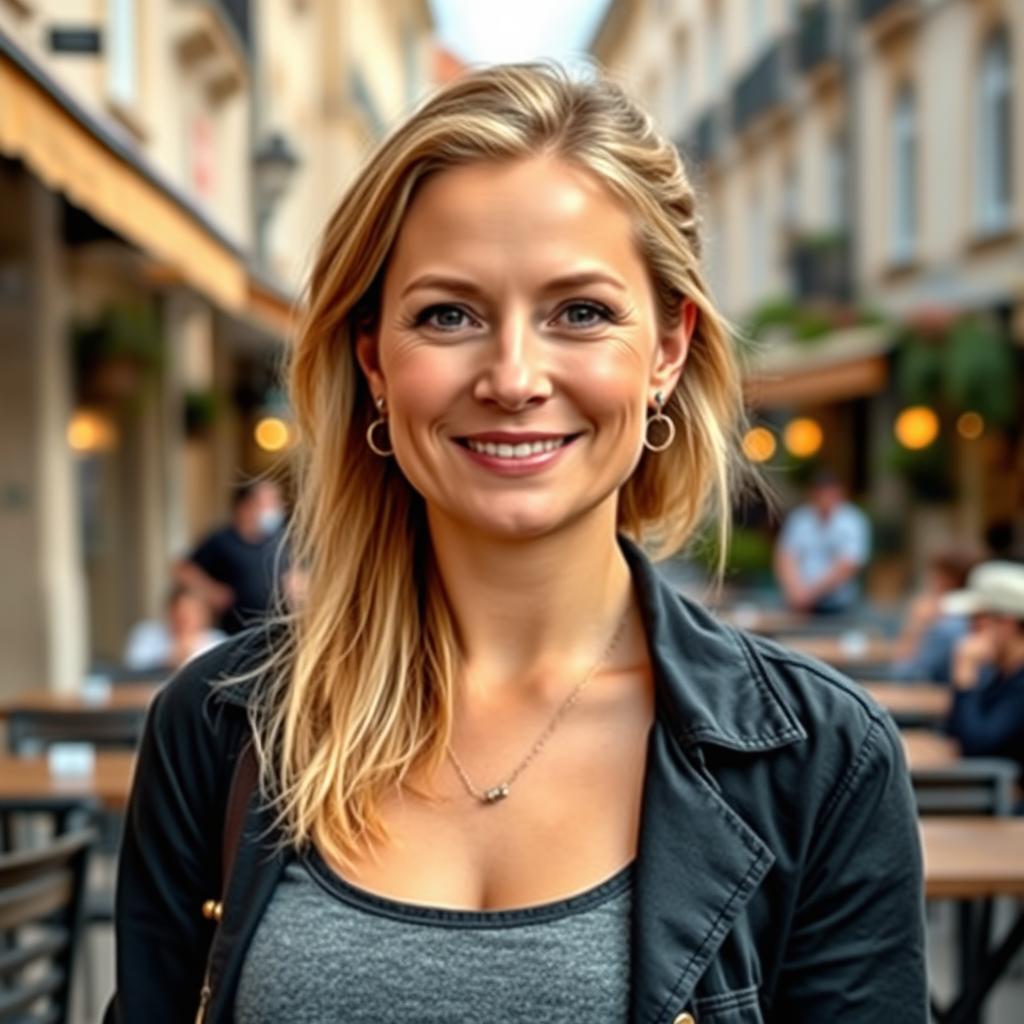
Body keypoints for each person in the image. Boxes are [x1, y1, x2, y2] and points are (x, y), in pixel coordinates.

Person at [106, 64, 925, 1023]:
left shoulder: (820, 761)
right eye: (447, 314)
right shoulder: (219, 728)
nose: (512, 376)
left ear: (666, 349)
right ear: (374, 359)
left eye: (580, 312)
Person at [175, 479, 290, 635]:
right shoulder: (221, 541)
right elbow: (183, 570)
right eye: (268, 502)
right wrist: (212, 592)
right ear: (245, 507)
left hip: (275, 630)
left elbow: (296, 573)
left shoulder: (280, 539)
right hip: (234, 632)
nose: (275, 508)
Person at [944, 561, 1024, 771]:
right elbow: (954, 735)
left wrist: (964, 675)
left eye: (976, 619)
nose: (969, 628)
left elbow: (976, 749)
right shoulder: (1003, 674)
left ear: (1006, 624)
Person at [774, 470, 871, 615]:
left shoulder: (852, 520)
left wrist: (810, 594)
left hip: (838, 605)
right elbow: (786, 557)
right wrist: (795, 592)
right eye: (820, 493)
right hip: (798, 603)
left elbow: (849, 565)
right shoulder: (800, 518)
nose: (824, 498)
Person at [890, 550, 979, 684]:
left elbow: (905, 675)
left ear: (949, 579)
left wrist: (915, 624)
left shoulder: (948, 625)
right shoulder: (971, 617)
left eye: (936, 574)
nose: (931, 580)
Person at [122, 583, 227, 672]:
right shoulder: (147, 634)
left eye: (191, 614)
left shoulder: (216, 642)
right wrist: (168, 660)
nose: (185, 620)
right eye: (180, 614)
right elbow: (133, 670)